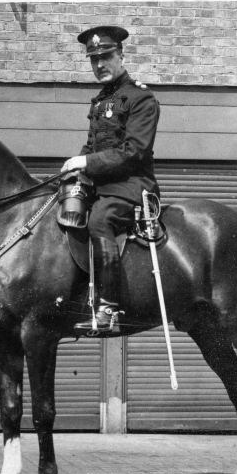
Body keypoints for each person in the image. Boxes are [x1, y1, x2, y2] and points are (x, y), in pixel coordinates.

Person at [62, 25, 161, 335]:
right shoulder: (101, 101)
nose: (100, 64)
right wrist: (71, 170)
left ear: (121, 55)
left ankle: (109, 308)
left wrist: (86, 162)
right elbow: (93, 148)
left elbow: (134, 151)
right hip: (99, 185)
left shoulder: (140, 98)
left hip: (131, 187)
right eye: (94, 59)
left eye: (106, 56)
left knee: (99, 221)